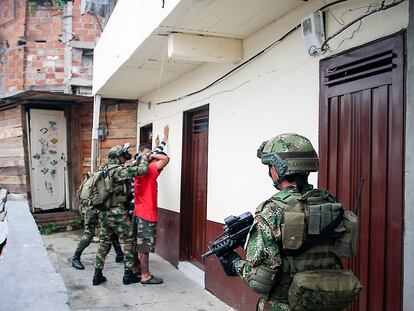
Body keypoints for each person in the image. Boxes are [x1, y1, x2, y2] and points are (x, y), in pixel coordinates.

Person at [218, 133, 360, 311]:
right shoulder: (329, 201)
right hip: (325, 301)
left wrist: (234, 263)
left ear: (278, 168)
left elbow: (259, 282)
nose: (269, 171)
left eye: (270, 166)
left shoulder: (271, 210)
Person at [93, 144, 151, 286]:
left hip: (103, 212)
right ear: (118, 156)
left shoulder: (103, 169)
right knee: (129, 241)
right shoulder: (119, 170)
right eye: (123, 156)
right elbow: (143, 170)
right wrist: (144, 157)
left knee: (104, 243)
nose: (124, 158)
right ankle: (128, 275)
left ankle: (97, 275)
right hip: (116, 212)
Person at [133, 125, 170, 285]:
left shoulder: (135, 168)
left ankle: (135, 269)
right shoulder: (149, 169)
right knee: (144, 246)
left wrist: (162, 142)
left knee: (137, 243)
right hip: (146, 214)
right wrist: (155, 150)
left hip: (137, 212)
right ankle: (145, 275)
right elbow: (165, 159)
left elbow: (155, 157)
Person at [71, 206, 124, 270]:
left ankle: (119, 254)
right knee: (88, 235)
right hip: (92, 209)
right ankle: (76, 257)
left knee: (111, 230)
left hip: (104, 209)